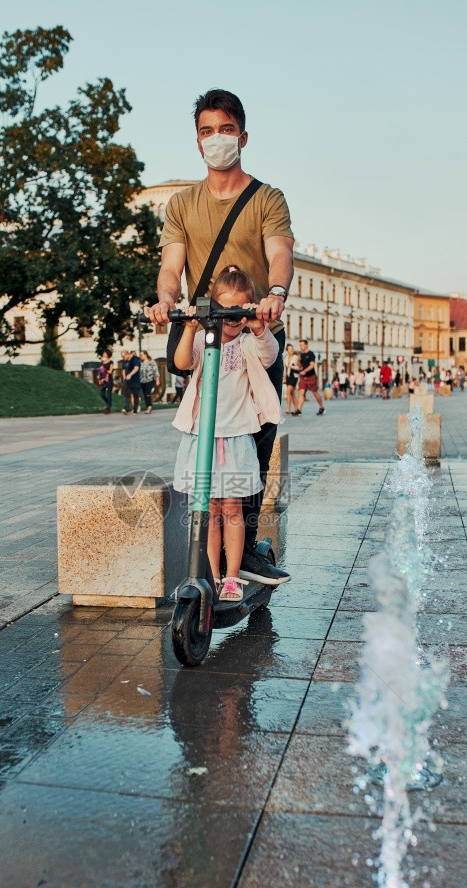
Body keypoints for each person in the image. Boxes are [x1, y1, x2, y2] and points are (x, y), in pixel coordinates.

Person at [145, 88, 293, 586]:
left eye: (225, 130)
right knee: (201, 435)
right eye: (207, 131)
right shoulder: (183, 204)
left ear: (243, 136)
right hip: (201, 334)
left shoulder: (267, 198)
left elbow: (279, 254)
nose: (216, 140)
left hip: (255, 334)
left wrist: (274, 293)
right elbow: (171, 267)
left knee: (257, 440)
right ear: (197, 142)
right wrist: (167, 300)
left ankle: (245, 549)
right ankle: (202, 545)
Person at [172, 266, 289, 600]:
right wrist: (191, 325)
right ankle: (212, 575)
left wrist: (259, 326)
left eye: (240, 311)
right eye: (226, 311)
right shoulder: (202, 340)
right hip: (202, 439)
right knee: (207, 508)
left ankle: (233, 577)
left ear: (248, 308)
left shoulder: (249, 344)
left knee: (232, 509)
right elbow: (182, 361)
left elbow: (270, 355)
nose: (232, 319)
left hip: (235, 439)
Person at [297, 339, 325, 415]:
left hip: (311, 376)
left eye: (302, 345)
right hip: (303, 377)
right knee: (301, 393)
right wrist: (298, 360)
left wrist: (304, 371)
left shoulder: (311, 354)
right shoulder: (301, 355)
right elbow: (299, 366)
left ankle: (321, 407)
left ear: (306, 345)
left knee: (315, 393)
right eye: (300, 345)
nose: (301, 347)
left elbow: (312, 365)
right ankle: (298, 410)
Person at [121, 349, 141, 414]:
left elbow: (136, 368)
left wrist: (130, 374)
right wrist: (124, 378)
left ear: (128, 354)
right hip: (128, 381)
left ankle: (135, 409)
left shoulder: (134, 359)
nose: (123, 358)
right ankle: (126, 408)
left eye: (124, 356)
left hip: (135, 380)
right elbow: (124, 370)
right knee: (127, 394)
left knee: (135, 395)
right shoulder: (125, 361)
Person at [283, 343, 300, 415]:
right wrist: (284, 376)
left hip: (294, 376)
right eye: (290, 349)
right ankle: (297, 409)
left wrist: (291, 367)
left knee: (288, 392)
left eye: (292, 349)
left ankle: (288, 409)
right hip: (288, 376)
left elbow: (299, 367)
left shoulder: (296, 357)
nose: (291, 350)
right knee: (292, 394)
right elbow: (284, 368)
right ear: (287, 350)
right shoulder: (285, 358)